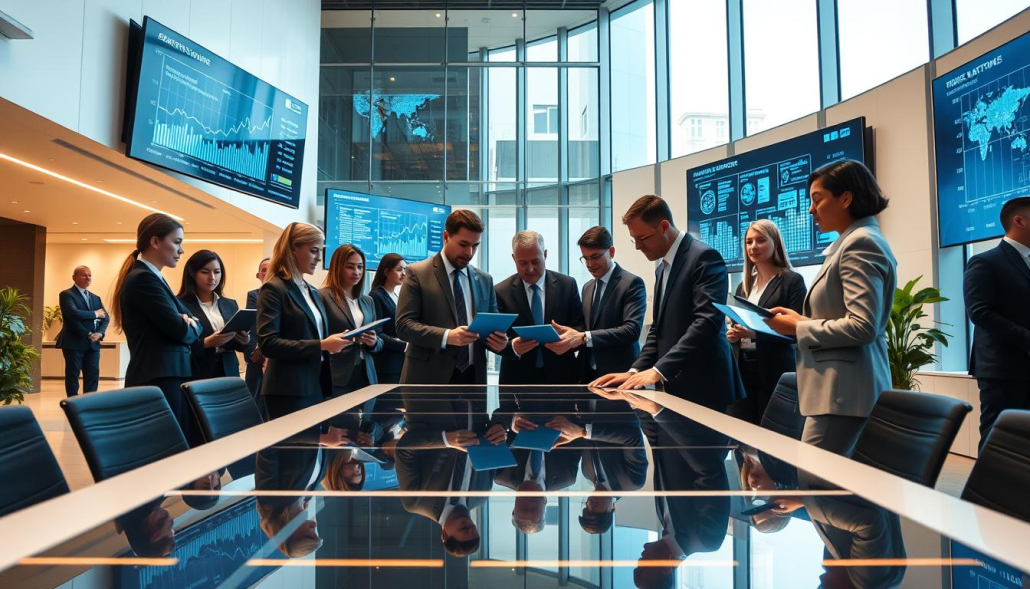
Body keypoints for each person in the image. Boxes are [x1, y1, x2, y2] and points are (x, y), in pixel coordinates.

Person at [766, 159, 896, 457]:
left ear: (846, 198)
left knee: (814, 480)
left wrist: (799, 327)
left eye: (817, 199)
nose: (811, 209)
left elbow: (863, 326)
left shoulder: (860, 244)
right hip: (839, 392)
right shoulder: (851, 242)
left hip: (844, 394)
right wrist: (800, 319)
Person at [591, 196, 744, 414]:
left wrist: (658, 370)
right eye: (634, 239)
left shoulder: (704, 258)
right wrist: (635, 371)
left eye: (642, 238)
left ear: (664, 226)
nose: (637, 247)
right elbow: (658, 329)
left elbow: (706, 323)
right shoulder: (662, 267)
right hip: (673, 387)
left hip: (705, 387)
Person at [111, 213, 203, 439]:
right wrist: (187, 323)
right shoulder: (143, 279)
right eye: (177, 242)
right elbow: (182, 330)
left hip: (168, 375)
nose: (181, 250)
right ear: (154, 242)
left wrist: (188, 322)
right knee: (165, 449)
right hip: (158, 377)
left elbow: (197, 324)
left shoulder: (155, 278)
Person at [396, 210, 508, 385]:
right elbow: (404, 326)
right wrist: (447, 336)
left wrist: (500, 342)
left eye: (475, 245)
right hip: (428, 379)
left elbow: (491, 328)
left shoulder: (485, 280)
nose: (469, 252)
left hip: (473, 379)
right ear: (446, 236)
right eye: (463, 244)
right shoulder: (417, 273)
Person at [257, 223, 350, 419]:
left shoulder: (312, 292)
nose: (319, 258)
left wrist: (334, 341)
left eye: (320, 251)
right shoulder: (274, 289)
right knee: (294, 450)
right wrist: (323, 345)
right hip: (287, 390)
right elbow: (269, 344)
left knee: (310, 449)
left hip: (314, 385)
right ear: (293, 249)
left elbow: (312, 334)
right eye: (314, 251)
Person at [964, 196, 1030, 449]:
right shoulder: (985, 261)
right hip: (1003, 369)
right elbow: (980, 312)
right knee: (998, 440)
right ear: (1019, 221)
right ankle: (987, 489)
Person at [726, 220, 807, 423]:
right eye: (749, 242)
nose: (753, 247)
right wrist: (734, 334)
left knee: (772, 435)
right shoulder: (743, 288)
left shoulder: (791, 281)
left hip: (775, 370)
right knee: (740, 435)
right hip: (743, 369)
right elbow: (739, 325)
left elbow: (796, 334)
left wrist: (753, 334)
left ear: (775, 243)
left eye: (761, 240)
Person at [495, 230, 585, 385]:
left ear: (545, 255)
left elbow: (580, 326)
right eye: (522, 263)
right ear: (513, 258)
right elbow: (495, 338)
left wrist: (569, 339)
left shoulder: (567, 285)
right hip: (516, 378)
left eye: (535, 261)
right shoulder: (501, 291)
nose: (530, 269)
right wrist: (513, 347)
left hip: (562, 377)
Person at [572, 226, 646, 382]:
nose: (590, 264)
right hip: (588, 375)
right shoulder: (587, 287)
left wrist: (584, 337)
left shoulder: (631, 283)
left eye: (596, 256)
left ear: (611, 252)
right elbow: (587, 329)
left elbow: (631, 330)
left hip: (620, 375)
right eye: (585, 258)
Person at [319, 244, 382, 397]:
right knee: (338, 420)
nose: (356, 272)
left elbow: (380, 340)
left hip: (366, 373)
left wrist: (373, 342)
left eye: (360, 267)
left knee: (366, 420)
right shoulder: (322, 297)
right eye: (350, 267)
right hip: (337, 373)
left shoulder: (367, 301)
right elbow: (317, 336)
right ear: (337, 268)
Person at [177, 250, 250, 382]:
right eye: (205, 272)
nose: (212, 278)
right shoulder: (180, 305)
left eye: (217, 272)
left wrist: (244, 341)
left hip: (229, 371)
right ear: (192, 273)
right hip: (198, 373)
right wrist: (205, 343)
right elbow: (177, 346)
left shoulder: (230, 304)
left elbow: (237, 345)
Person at [55, 265, 109, 396]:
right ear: (74, 277)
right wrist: (95, 315)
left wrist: (99, 333)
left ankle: (89, 403)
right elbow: (73, 315)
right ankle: (73, 404)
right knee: (73, 376)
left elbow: (105, 318)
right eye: (84, 275)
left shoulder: (95, 297)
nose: (88, 278)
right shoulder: (67, 295)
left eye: (90, 275)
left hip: (93, 343)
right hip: (74, 342)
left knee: (93, 375)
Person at [369, 253, 407, 384]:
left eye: (405, 269)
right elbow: (378, 333)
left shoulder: (396, 296)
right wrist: (406, 345)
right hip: (387, 364)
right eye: (399, 269)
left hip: (400, 361)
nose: (403, 273)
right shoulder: (376, 296)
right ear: (386, 272)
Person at [245, 258, 270, 411]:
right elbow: (254, 325)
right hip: (257, 353)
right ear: (258, 275)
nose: (267, 273)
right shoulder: (254, 295)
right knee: (253, 399)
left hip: (275, 354)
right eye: (263, 270)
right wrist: (254, 351)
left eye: (271, 268)